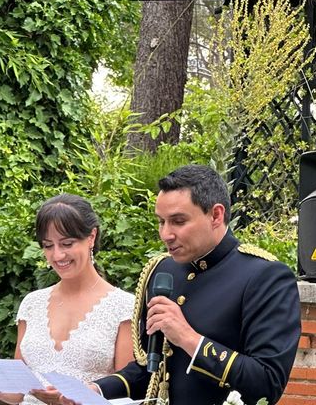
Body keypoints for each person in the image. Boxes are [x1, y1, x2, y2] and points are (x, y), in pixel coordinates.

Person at [92, 164, 301, 405]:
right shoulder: (163, 270)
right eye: (161, 222)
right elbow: (149, 370)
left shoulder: (265, 277)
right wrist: (94, 390)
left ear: (216, 215)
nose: (166, 234)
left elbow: (267, 383)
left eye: (178, 221)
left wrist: (188, 338)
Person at [0, 193, 135, 405]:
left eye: (67, 244)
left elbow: (125, 392)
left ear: (91, 237)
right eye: (48, 246)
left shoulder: (123, 306)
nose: (57, 256)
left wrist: (70, 399)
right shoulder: (32, 303)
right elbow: (19, 391)